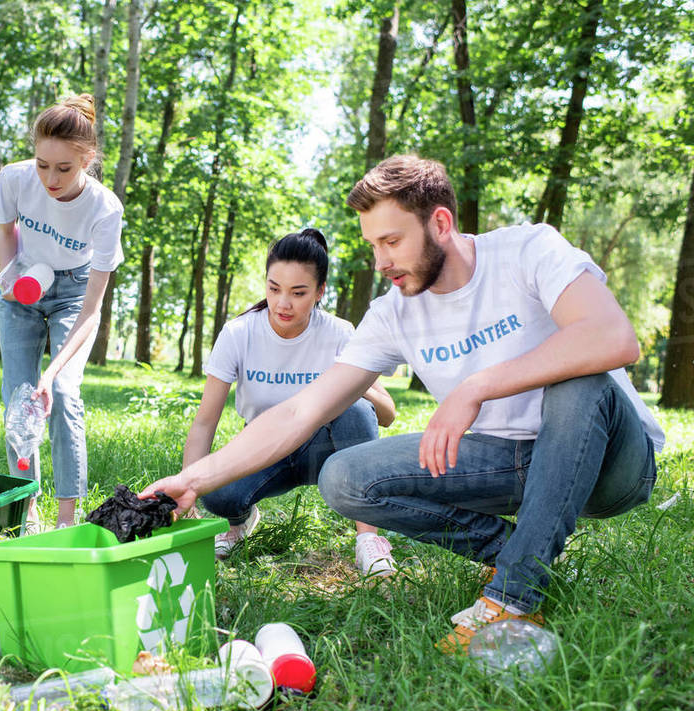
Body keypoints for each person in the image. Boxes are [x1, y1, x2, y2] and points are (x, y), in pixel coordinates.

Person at [145, 154, 663, 654]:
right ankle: (522, 552)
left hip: (608, 464)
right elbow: (302, 411)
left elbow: (612, 337)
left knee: (581, 381)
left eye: (392, 241)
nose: (381, 261)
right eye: (373, 245)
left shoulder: (527, 251)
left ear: (440, 223)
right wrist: (196, 479)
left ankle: (515, 595)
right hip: (507, 465)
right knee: (344, 476)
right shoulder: (392, 313)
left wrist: (476, 386)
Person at [184, 229, 398, 573]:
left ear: (319, 292)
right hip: (265, 450)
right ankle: (238, 523)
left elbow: (385, 415)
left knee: (356, 410)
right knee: (215, 490)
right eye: (274, 289)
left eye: (298, 293)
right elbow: (205, 421)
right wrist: (187, 486)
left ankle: (368, 541)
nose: (283, 303)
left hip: (326, 449)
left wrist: (345, 379)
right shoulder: (239, 333)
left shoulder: (339, 333)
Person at [0, 93, 124, 529]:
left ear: (87, 160)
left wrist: (51, 375)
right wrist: (10, 277)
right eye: (42, 164)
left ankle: (67, 519)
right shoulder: (14, 179)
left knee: (63, 393)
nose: (50, 178)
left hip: (75, 291)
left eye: (64, 168)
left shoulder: (106, 210)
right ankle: (27, 510)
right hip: (25, 285)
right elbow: (6, 231)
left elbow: (91, 311)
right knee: (19, 396)